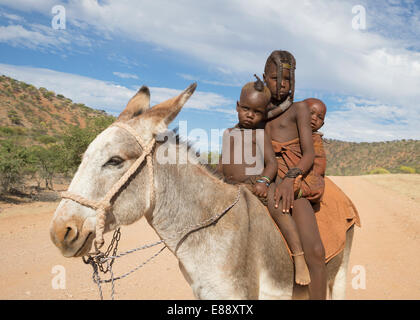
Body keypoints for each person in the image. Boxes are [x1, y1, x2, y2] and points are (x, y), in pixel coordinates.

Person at [263, 50, 327, 299]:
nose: (281, 85)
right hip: (265, 179)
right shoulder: (258, 111)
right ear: (265, 78)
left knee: (315, 250)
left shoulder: (299, 109)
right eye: (274, 78)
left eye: (287, 79)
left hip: (293, 180)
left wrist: (290, 179)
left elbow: (309, 154)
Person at [218, 76, 277, 205]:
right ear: (237, 106)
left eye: (257, 112)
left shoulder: (259, 135)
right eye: (246, 109)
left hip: (252, 188)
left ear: (264, 114)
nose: (250, 115)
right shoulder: (228, 133)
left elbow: (272, 163)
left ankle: (292, 226)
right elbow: (222, 162)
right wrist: (216, 180)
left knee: (277, 209)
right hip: (228, 186)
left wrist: (263, 182)